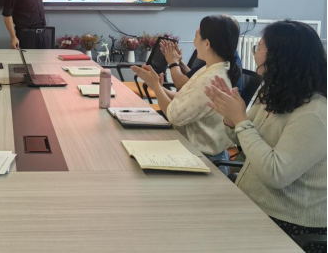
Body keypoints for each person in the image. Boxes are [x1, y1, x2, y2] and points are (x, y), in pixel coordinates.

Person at [206, 21, 327, 253]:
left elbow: (276, 173)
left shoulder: (315, 113)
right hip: (255, 204)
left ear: (280, 57)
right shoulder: (276, 94)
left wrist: (240, 121)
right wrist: (231, 119)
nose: (255, 54)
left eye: (259, 47)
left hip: (291, 225)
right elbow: (245, 140)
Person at [132, 15, 241, 169]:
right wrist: (156, 86)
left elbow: (174, 115)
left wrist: (156, 86)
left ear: (207, 44)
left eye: (196, 35)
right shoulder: (212, 69)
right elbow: (182, 98)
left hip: (203, 160)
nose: (194, 40)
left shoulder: (211, 78)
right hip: (194, 152)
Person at [161, 38, 244, 91]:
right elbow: (194, 78)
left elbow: (180, 84)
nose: (194, 42)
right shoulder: (221, 57)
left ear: (207, 43)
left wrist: (173, 62)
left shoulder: (216, 64)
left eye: (196, 36)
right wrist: (178, 61)